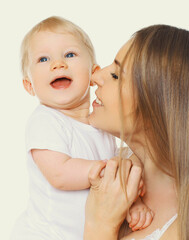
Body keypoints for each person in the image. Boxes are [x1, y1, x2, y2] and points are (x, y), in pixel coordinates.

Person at [84, 24, 189, 240]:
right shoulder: (107, 165)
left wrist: (100, 226)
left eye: (116, 76)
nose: (95, 77)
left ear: (158, 105)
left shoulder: (180, 233)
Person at [11, 16, 152, 240]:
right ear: (29, 85)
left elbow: (113, 188)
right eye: (43, 59)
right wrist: (108, 172)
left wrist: (132, 201)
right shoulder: (45, 120)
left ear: (93, 73)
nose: (58, 64)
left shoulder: (101, 126)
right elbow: (59, 173)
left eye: (69, 54)